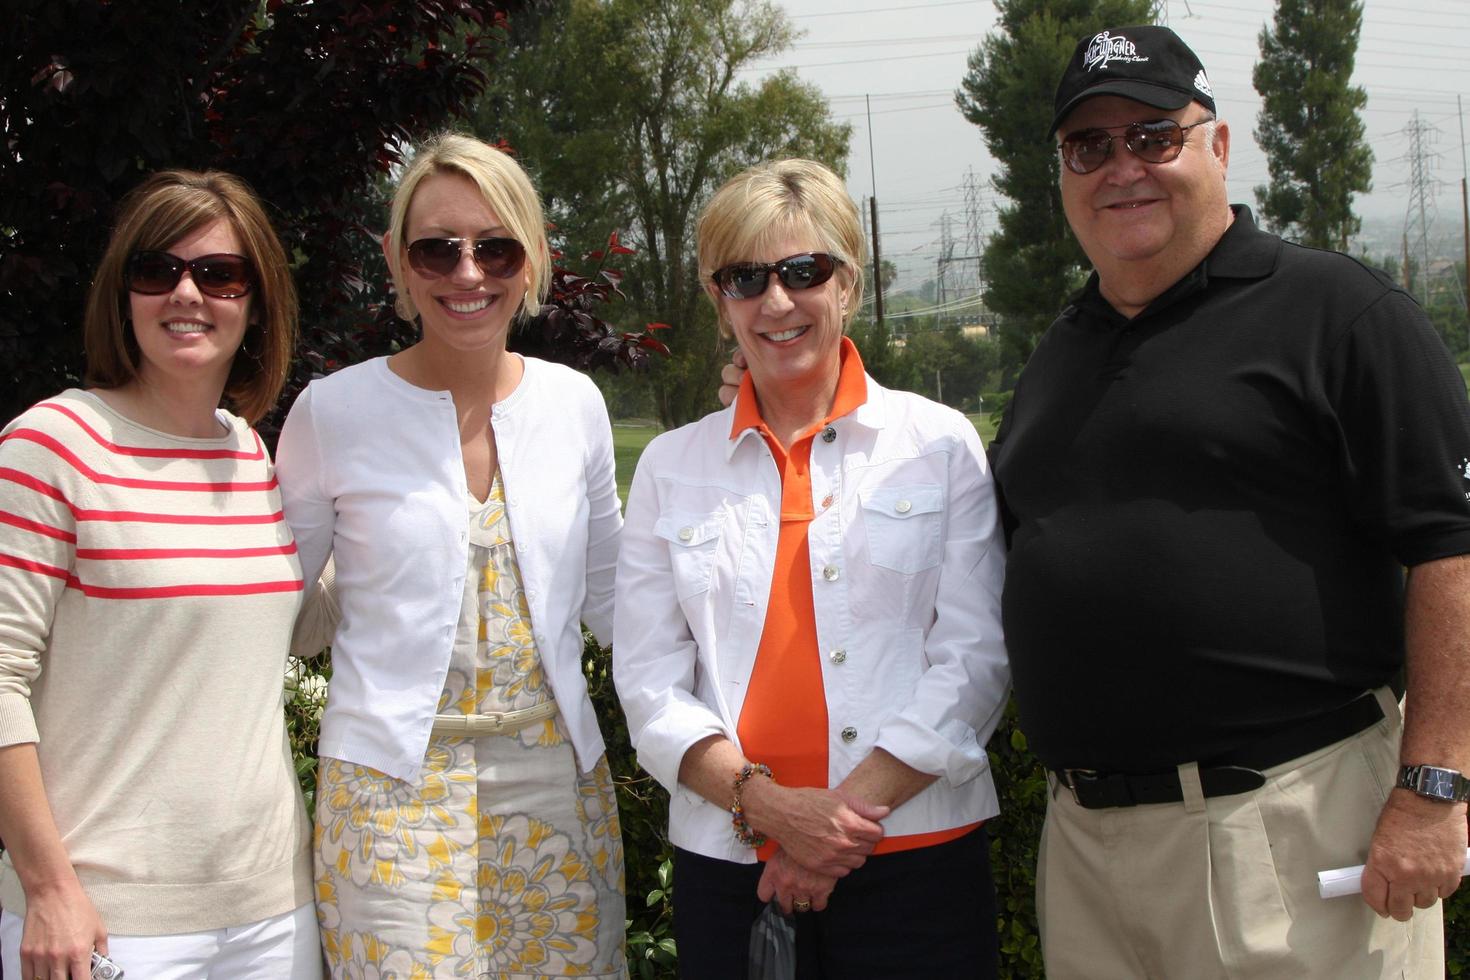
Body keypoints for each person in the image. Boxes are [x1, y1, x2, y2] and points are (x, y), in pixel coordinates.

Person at [988, 25, 1470, 978]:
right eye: (1090, 146)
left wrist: (1433, 789)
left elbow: (1450, 550)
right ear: (1062, 172)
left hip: (1287, 831)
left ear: (1217, 143)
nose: (1122, 167)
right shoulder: (1058, 353)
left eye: (1153, 136)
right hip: (1087, 850)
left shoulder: (1340, 313)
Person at [614, 158, 1009, 979]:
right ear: (718, 303)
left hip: (918, 857)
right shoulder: (668, 466)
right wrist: (770, 809)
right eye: (745, 278)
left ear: (850, 284)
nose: (778, 300)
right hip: (730, 866)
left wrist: (831, 825)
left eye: (804, 270)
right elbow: (650, 685)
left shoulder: (937, 445)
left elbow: (975, 657)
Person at [275, 132, 626, 979]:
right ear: (398, 260)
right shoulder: (332, 413)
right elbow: (272, 611)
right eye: (438, 249)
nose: (468, 274)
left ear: (535, 258)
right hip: (388, 794)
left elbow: (619, 604)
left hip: (557, 783)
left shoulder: (575, 405)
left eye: (496, 247)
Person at [0, 170, 319, 979]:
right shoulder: (53, 445)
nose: (187, 292)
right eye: (157, 270)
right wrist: (48, 887)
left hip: (271, 912)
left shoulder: (249, 453)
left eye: (218, 273)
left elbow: (292, 631)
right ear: (123, 293)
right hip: (105, 921)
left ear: (256, 303)